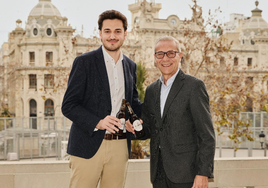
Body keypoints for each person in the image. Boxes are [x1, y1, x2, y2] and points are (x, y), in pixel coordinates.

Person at [61, 10, 141, 188]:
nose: (112, 36)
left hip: (120, 146)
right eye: (107, 31)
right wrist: (98, 122)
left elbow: (132, 103)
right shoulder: (84, 62)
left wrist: (138, 119)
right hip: (87, 145)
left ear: (125, 34)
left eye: (117, 31)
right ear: (100, 33)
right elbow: (68, 105)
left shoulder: (130, 66)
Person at [126, 36, 215, 188]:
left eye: (171, 53)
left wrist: (203, 173)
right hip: (158, 173)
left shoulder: (194, 86)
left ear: (180, 56)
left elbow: (207, 135)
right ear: (155, 58)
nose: (165, 58)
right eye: (160, 54)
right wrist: (135, 129)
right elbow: (150, 129)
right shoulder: (151, 90)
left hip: (187, 175)